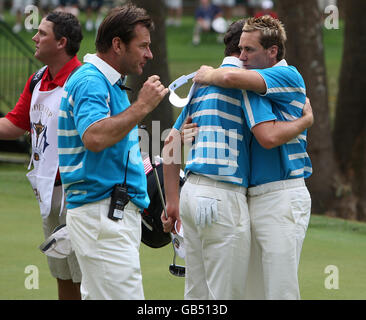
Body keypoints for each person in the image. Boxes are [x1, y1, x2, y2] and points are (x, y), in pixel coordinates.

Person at [162, 19, 313, 300]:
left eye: (250, 50)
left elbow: (169, 144)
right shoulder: (246, 84)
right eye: (242, 50)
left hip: (273, 194)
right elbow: (262, 130)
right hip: (232, 196)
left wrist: (172, 201)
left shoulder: (280, 77)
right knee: (240, 293)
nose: (244, 57)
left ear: (271, 51)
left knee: (263, 291)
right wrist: (306, 121)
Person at [57, 4, 168, 300]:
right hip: (102, 214)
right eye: (143, 46)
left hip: (108, 213)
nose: (149, 54)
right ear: (118, 44)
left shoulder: (110, 84)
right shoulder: (91, 81)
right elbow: (94, 136)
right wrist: (143, 106)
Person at [0, 11, 83, 300]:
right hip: (47, 192)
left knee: (85, 280)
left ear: (61, 42)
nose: (34, 37)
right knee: (62, 274)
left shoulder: (82, 81)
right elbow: (14, 124)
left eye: (42, 33)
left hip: (79, 195)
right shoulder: (38, 78)